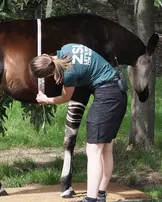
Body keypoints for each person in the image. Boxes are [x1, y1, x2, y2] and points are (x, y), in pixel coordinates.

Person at [29, 43, 128, 202]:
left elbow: (65, 98)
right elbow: (84, 65)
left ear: (48, 74)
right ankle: (101, 195)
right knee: (106, 148)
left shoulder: (68, 75)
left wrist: (46, 99)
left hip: (107, 96)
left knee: (93, 149)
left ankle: (90, 198)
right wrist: (58, 72)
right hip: (118, 92)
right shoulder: (68, 48)